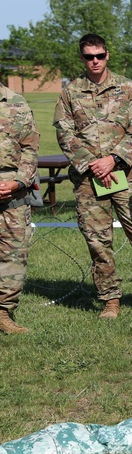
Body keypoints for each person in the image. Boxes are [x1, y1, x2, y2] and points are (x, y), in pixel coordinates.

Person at [54, 33, 132, 319]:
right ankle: (110, 299)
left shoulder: (128, 87)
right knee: (98, 241)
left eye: (99, 55)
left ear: (107, 55)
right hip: (88, 180)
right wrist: (92, 163)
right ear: (82, 58)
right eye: (89, 56)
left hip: (124, 175)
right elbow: (64, 133)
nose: (94, 61)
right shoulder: (70, 92)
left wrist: (112, 160)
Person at [0, 83, 39, 334]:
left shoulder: (17, 102)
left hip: (13, 190)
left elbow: (30, 148)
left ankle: (3, 312)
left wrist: (19, 181)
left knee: (15, 254)